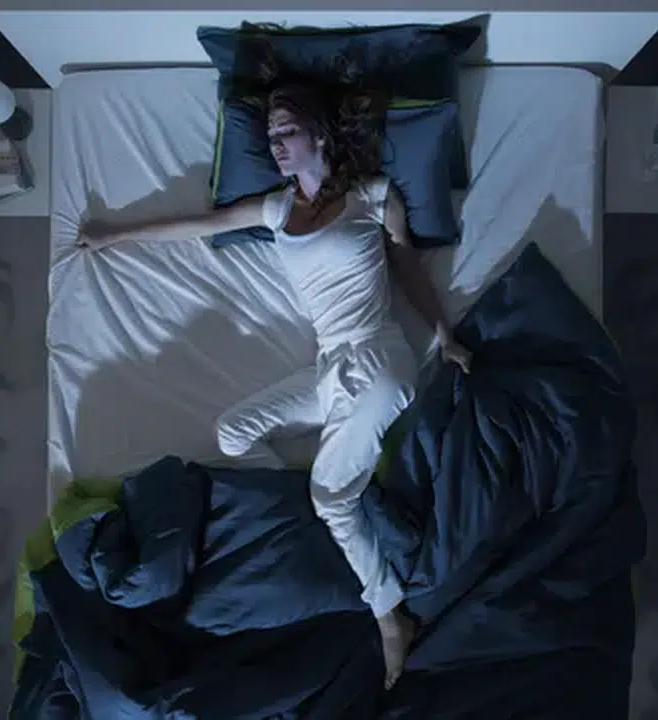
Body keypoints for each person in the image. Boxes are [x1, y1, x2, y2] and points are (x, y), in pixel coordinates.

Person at [77, 84, 472, 689]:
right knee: (234, 432)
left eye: (287, 131)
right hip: (329, 367)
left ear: (320, 134)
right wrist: (114, 236)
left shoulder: (373, 196)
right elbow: (200, 225)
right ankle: (341, 492)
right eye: (269, 136)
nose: (277, 145)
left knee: (331, 498)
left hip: (376, 358)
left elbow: (410, 270)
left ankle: (390, 615)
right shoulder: (276, 209)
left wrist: (444, 336)